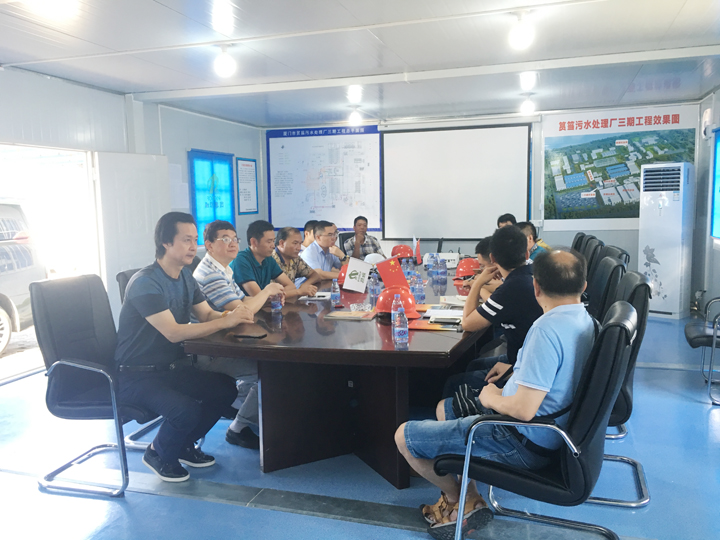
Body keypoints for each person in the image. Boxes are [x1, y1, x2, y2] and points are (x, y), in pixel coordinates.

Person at [395, 249, 595, 537]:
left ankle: (457, 499)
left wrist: (491, 398)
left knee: (403, 437)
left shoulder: (547, 330)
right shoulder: (584, 320)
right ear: (583, 285)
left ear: (536, 287)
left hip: (520, 438)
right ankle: (471, 497)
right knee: (444, 408)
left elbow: (524, 410)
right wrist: (513, 373)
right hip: (548, 432)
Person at [115, 212, 252, 483]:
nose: (193, 246)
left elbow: (206, 314)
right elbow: (173, 332)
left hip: (171, 368)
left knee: (224, 389)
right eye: (186, 240)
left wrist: (231, 317)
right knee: (185, 409)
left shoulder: (186, 277)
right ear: (166, 243)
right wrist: (226, 321)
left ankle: (183, 445)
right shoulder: (146, 282)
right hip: (136, 375)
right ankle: (158, 452)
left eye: (195, 239)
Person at [193, 219, 285, 449]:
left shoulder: (223, 268)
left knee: (271, 360)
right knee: (271, 371)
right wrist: (267, 291)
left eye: (235, 239)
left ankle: (244, 403)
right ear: (209, 245)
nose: (233, 243)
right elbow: (242, 311)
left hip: (227, 341)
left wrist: (266, 298)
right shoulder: (210, 274)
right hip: (209, 350)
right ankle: (238, 428)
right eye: (225, 239)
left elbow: (245, 301)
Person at [455, 226, 543, 395]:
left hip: (522, 371)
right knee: (473, 365)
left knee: (454, 383)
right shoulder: (530, 274)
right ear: (526, 254)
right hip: (528, 360)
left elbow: (467, 323)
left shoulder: (512, 288)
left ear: (492, 258)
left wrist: (478, 283)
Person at [230, 220, 302, 298]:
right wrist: (297, 292)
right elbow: (258, 297)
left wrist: (273, 295)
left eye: (273, 241)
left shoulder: (268, 259)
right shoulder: (241, 260)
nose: (273, 246)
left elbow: (291, 286)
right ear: (254, 242)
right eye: (269, 242)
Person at [272, 226, 322, 293]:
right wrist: (299, 291)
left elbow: (315, 275)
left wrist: (305, 285)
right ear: (282, 243)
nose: (299, 248)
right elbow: (274, 294)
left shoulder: (295, 258)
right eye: (295, 243)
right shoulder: (271, 260)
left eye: (300, 243)